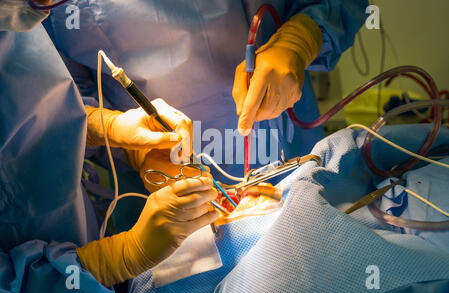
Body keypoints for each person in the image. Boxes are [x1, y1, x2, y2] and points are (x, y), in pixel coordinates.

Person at [0, 0, 218, 293]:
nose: (48, 5)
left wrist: (108, 129)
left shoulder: (15, 24)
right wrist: (113, 260)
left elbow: (26, 116)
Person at [44, 0, 369, 186]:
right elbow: (56, 106)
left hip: (290, 155)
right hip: (157, 191)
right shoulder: (46, 12)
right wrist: (126, 142)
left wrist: (301, 40)